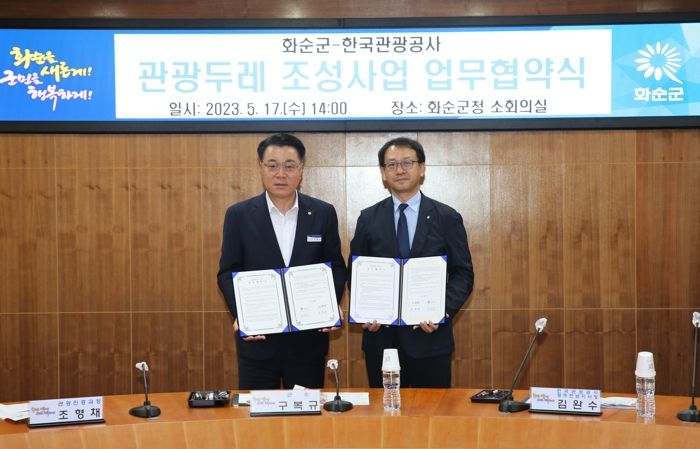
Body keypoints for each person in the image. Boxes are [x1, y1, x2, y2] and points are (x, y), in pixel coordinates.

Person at [217, 133, 346, 390]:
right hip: (258, 339)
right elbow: (228, 271)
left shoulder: (323, 213)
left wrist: (330, 306)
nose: (281, 174)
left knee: (305, 412)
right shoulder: (239, 215)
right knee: (258, 412)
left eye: (289, 166)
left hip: (308, 341)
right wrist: (242, 313)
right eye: (272, 165)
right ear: (261, 167)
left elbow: (335, 267)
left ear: (301, 169)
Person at [349, 136, 474, 388]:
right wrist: (366, 310)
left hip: (430, 340)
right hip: (381, 340)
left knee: (431, 411)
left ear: (422, 168)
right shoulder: (368, 218)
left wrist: (441, 310)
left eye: (407, 162)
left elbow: (463, 273)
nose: (400, 170)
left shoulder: (446, 217)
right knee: (385, 410)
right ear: (383, 173)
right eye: (392, 164)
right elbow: (356, 273)